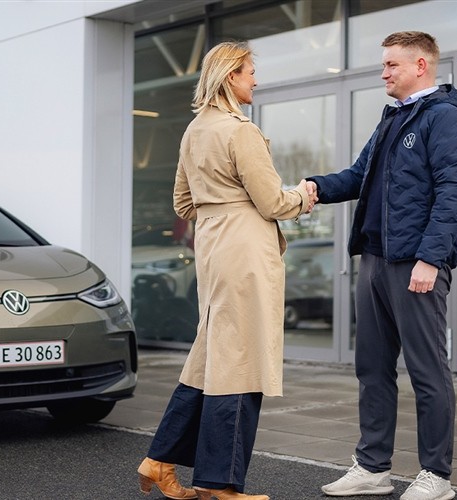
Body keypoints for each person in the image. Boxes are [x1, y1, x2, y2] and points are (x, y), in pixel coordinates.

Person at [137, 41, 316, 500]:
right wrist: (304, 195)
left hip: (213, 249)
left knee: (211, 358)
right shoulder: (241, 132)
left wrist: (219, 208)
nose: (255, 79)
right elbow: (272, 202)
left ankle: (160, 460)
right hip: (245, 253)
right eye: (250, 71)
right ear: (231, 75)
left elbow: (183, 204)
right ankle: (220, 484)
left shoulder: (194, 131)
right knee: (240, 362)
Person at [307, 31, 457, 500]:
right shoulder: (393, 120)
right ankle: (372, 467)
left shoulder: (445, 118)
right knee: (372, 368)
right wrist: (312, 188)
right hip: (375, 261)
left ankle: (436, 476)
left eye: (391, 65)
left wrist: (430, 259)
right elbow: (357, 178)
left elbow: (453, 194)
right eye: (383, 65)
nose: (383, 73)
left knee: (427, 371)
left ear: (420, 66)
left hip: (416, 265)